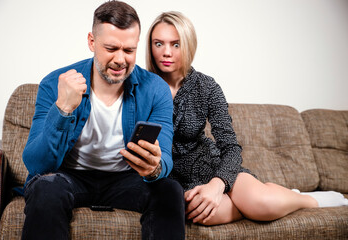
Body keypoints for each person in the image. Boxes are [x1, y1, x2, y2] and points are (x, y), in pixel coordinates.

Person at [146, 11, 348, 226]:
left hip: (213, 169)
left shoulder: (207, 87)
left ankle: (304, 198)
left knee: (262, 203)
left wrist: (218, 184)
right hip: (174, 180)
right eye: (159, 44)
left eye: (175, 44)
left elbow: (231, 147)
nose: (166, 52)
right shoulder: (143, 86)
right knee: (200, 214)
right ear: (150, 46)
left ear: (188, 45)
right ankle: (257, 202)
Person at [21, 2, 185, 239]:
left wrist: (154, 168)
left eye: (129, 50)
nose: (120, 59)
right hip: (70, 176)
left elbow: (165, 159)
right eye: (111, 48)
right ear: (91, 42)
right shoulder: (55, 83)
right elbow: (36, 164)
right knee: (46, 189)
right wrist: (63, 109)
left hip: (125, 180)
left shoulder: (155, 89)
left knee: (170, 190)